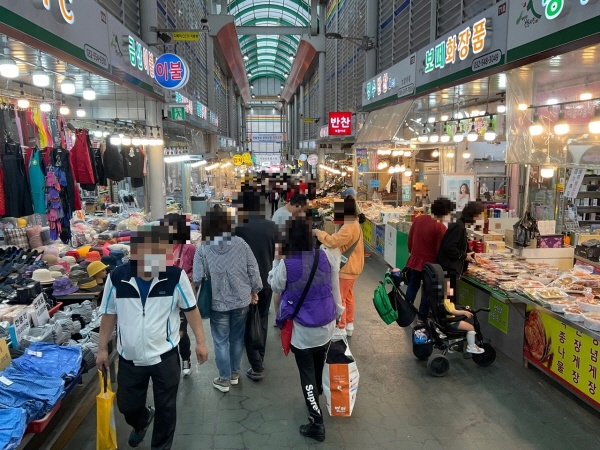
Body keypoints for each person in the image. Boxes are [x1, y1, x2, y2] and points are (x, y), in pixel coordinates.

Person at [96, 224, 209, 450]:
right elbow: (109, 314)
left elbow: (191, 309)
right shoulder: (118, 278)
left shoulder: (174, 277)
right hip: (130, 358)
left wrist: (201, 342)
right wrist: (102, 349)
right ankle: (142, 418)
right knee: (127, 406)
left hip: (164, 357)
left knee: (166, 410)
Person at [269, 217, 343, 442]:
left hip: (303, 330)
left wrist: (276, 260)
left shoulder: (287, 264)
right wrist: (339, 314)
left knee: (306, 373)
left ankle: (316, 421)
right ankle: (317, 393)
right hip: (327, 325)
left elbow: (275, 285)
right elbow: (335, 289)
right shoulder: (326, 257)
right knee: (319, 362)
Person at [193, 207, 262, 393]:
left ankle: (223, 378)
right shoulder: (240, 243)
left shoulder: (203, 249)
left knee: (220, 340)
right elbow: (253, 269)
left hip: (217, 302)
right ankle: (234, 374)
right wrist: (255, 290)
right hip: (241, 299)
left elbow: (197, 277)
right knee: (237, 338)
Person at [234, 190, 278, 381]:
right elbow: (279, 253)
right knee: (261, 319)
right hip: (266, 279)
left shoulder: (237, 228)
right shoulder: (272, 226)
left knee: (246, 320)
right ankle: (259, 355)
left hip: (244, 282)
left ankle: (256, 364)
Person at [313, 197, 364, 336]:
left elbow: (333, 241)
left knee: (340, 297)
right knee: (348, 296)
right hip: (353, 266)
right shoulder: (353, 223)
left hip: (347, 267)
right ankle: (349, 323)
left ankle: (340, 326)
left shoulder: (349, 226)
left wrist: (319, 233)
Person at [406, 197, 454, 321]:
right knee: (428, 291)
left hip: (415, 260)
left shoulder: (419, 219)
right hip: (430, 265)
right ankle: (421, 316)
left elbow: (410, 239)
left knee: (413, 285)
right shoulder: (440, 227)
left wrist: (412, 252)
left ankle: (406, 309)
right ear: (445, 212)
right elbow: (440, 251)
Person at [163, 214, 198, 377]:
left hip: (184, 294)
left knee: (181, 330)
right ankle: (172, 361)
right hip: (163, 296)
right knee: (167, 329)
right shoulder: (159, 248)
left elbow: (198, 271)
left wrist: (185, 277)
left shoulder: (190, 249)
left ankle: (185, 358)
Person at [437, 201, 485, 304]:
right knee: (448, 299)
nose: (480, 219)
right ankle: (448, 318)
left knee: (448, 298)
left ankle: (448, 316)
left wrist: (470, 252)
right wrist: (464, 256)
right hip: (448, 270)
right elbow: (450, 247)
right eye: (480, 216)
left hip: (450, 269)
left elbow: (459, 244)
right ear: (474, 214)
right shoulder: (458, 226)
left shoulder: (460, 225)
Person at [442, 279, 484, 354]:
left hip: (446, 321)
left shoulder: (440, 299)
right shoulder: (446, 301)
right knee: (471, 328)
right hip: (452, 322)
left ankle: (452, 346)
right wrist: (464, 312)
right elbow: (452, 311)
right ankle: (471, 347)